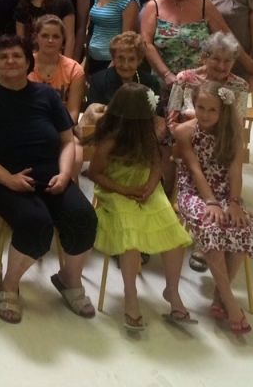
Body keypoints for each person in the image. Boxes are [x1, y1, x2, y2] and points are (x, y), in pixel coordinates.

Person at [0, 35, 97, 324]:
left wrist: (65, 173)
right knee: (35, 223)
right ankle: (10, 285)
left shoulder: (47, 96)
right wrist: (9, 179)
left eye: (17, 55)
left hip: (52, 176)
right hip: (3, 181)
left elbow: (67, 141)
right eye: (3, 57)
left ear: (28, 62)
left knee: (84, 217)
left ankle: (69, 279)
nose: (10, 61)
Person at [85, 83, 193, 330]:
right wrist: (125, 190)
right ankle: (130, 295)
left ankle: (172, 291)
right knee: (131, 238)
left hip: (145, 188)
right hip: (115, 189)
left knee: (174, 235)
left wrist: (151, 185)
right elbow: (95, 173)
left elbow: (156, 163)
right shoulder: (110, 139)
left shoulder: (150, 133)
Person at [175, 81, 253, 335]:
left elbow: (235, 171)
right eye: (200, 107)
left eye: (212, 109)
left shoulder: (232, 133)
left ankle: (218, 297)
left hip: (225, 192)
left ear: (223, 110)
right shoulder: (184, 131)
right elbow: (194, 170)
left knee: (242, 227)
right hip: (194, 191)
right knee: (213, 226)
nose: (205, 114)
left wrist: (234, 203)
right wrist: (211, 202)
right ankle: (229, 301)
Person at [141, 0, 230, 91]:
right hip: (163, 82)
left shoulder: (205, 6)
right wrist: (166, 75)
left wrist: (211, 70)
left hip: (201, 84)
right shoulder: (153, 7)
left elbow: (226, 42)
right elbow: (146, 44)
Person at [167, 32, 250, 128]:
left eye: (227, 61)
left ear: (233, 62)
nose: (221, 66)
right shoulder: (184, 79)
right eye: (216, 59)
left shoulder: (240, 86)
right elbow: (171, 122)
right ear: (204, 58)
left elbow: (238, 125)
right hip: (185, 135)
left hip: (222, 137)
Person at [28, 15, 84, 125]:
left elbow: (73, 113)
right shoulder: (24, 65)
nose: (50, 40)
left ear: (63, 39)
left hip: (63, 127)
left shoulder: (74, 70)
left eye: (56, 36)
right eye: (45, 36)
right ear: (36, 37)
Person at [85, 32, 160, 110]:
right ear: (113, 58)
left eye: (131, 59)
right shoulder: (98, 81)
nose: (125, 65)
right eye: (121, 58)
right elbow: (93, 114)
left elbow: (157, 115)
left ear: (139, 61)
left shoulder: (151, 83)